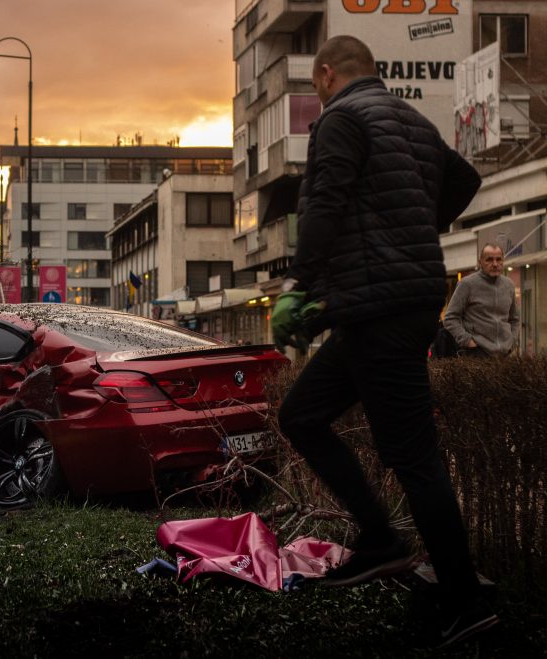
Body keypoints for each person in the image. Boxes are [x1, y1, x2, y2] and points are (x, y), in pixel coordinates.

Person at [270, 36, 497, 648]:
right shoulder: (414, 121)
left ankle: (464, 601)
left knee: (413, 456)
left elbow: (324, 203)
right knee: (304, 414)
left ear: (324, 75)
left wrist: (301, 281)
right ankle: (378, 538)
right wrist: (416, 228)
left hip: (381, 310)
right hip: (390, 305)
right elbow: (465, 178)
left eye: (315, 82)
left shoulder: (340, 118)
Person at [443, 243, 519, 357]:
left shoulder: (509, 285)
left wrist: (512, 342)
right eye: (489, 260)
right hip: (477, 354)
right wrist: (467, 341)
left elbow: (514, 319)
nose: (495, 264)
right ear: (480, 262)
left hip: (504, 355)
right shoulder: (467, 284)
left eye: (499, 259)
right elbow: (450, 318)